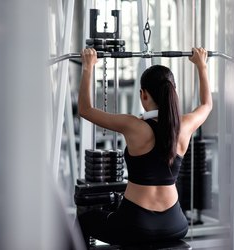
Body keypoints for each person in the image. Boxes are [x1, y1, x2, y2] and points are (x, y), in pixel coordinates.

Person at [77, 47, 212, 247]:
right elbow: (207, 105)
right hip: (175, 224)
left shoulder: (134, 126)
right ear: (172, 92)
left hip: (136, 224)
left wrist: (88, 66)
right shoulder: (184, 126)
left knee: (85, 220)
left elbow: (85, 110)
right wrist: (202, 66)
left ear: (144, 95)